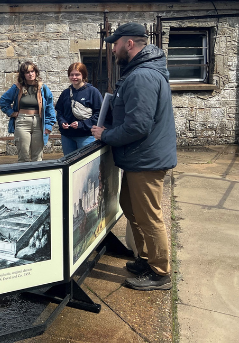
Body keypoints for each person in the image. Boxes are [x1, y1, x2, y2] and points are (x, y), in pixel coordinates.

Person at [91, 22, 177, 291]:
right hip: (140, 158)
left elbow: (138, 125)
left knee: (149, 216)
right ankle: (145, 259)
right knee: (131, 209)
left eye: (116, 44)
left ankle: (160, 273)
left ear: (129, 44)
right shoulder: (141, 72)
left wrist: (105, 135)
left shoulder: (141, 76)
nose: (114, 49)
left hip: (146, 160)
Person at [0, 61, 55, 162]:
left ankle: (37, 177)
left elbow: (50, 107)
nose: (30, 74)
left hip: (39, 121)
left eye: (32, 71)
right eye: (27, 72)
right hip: (22, 121)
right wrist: (12, 113)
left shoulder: (43, 88)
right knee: (23, 155)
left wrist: (49, 125)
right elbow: (3, 101)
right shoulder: (17, 87)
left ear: (36, 72)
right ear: (23, 74)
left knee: (37, 157)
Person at [55, 62, 102, 155]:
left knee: (86, 165)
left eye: (77, 74)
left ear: (83, 75)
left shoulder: (93, 92)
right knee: (69, 166)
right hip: (67, 136)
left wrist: (81, 124)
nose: (74, 77)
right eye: (71, 75)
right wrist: (62, 122)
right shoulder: (65, 93)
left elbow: (99, 113)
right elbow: (59, 111)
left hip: (85, 136)